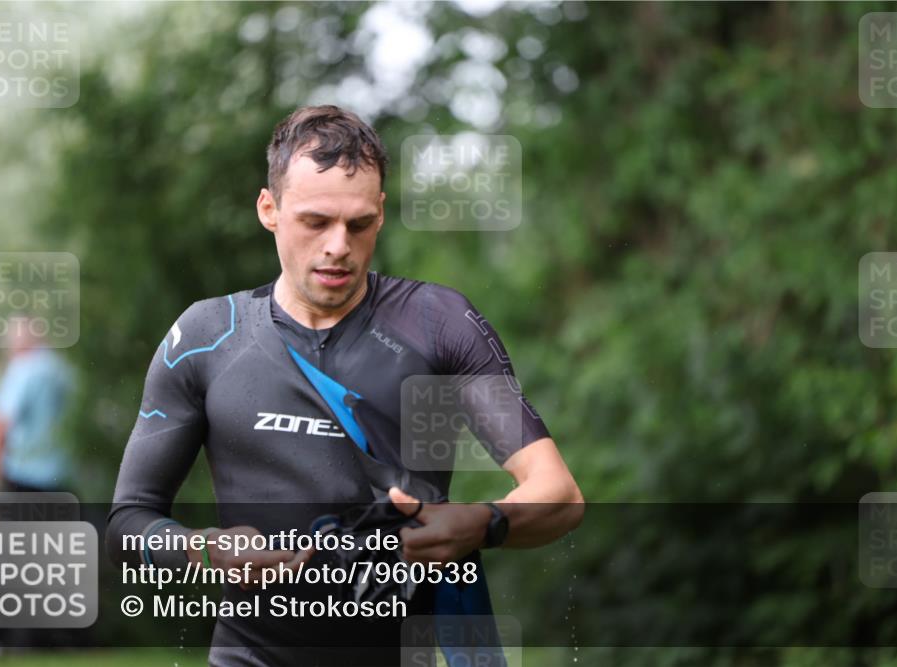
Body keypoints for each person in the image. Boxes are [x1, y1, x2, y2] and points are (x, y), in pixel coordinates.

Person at [107, 105, 584, 666]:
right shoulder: (208, 337)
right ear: (270, 209)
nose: (338, 245)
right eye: (315, 221)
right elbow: (127, 525)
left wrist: (482, 523)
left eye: (358, 224)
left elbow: (559, 496)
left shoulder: (437, 324)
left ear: (380, 214)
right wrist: (205, 550)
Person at [0, 316, 75, 494]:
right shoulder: (63, 367)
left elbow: (0, 423)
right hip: (61, 473)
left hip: (25, 473)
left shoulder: (22, 368)